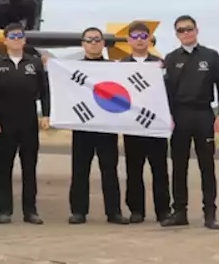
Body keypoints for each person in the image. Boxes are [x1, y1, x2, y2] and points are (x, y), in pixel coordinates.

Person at [161, 15, 219, 230]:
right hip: (179, 116)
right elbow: (164, 91)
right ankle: (179, 211)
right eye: (181, 30)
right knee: (178, 165)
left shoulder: (211, 56)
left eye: (189, 29)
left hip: (203, 114)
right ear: (176, 34)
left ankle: (210, 214)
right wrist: (166, 115)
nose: (186, 33)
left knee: (206, 165)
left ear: (196, 30)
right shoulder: (170, 59)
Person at [0, 22, 48, 224]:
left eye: (19, 36)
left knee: (29, 168)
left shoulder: (35, 63)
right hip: (5, 122)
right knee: (4, 167)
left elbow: (45, 91)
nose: (15, 40)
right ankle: (5, 210)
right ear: (4, 40)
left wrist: (46, 114)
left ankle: (30, 211)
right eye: (11, 36)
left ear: (24, 39)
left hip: (29, 121)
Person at [68, 28, 127, 225]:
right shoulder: (72, 69)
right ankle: (78, 211)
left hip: (106, 126)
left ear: (103, 43)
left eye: (97, 40)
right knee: (79, 170)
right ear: (83, 44)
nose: (93, 43)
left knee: (109, 170)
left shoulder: (113, 67)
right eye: (89, 40)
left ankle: (114, 212)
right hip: (82, 125)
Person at [120, 22, 170, 224]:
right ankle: (136, 210)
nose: (140, 40)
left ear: (150, 40)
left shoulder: (161, 65)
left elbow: (170, 93)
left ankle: (163, 210)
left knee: (159, 170)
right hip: (133, 125)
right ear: (129, 40)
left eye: (143, 36)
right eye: (135, 36)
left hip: (156, 124)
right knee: (134, 169)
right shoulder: (121, 66)